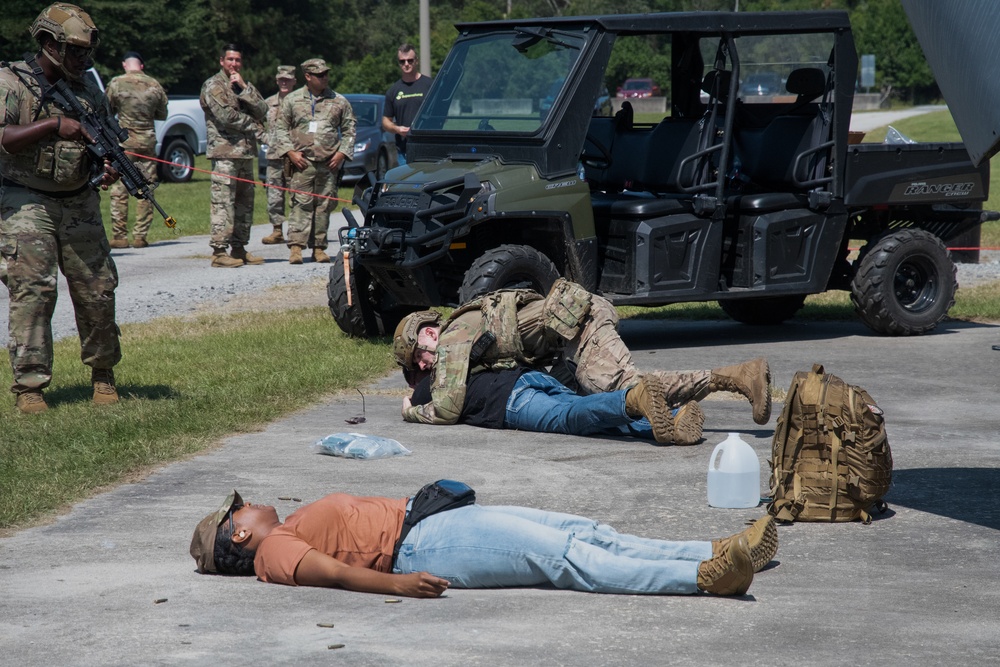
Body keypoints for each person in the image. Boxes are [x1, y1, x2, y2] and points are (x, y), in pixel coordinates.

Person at [190, 487, 778, 597]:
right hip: (423, 547)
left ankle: (711, 550)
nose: (255, 502)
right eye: (243, 507)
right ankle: (702, 578)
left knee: (582, 532)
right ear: (240, 531)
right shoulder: (273, 552)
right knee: (563, 558)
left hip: (428, 523)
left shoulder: (282, 532)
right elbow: (333, 572)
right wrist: (397, 583)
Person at [393, 279, 771, 440]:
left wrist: (410, 409)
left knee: (632, 392)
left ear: (427, 333)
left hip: (582, 327)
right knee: (618, 401)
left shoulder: (453, 337)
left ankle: (738, 377)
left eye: (419, 358)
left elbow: (447, 407)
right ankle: (676, 419)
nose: (424, 366)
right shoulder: (468, 327)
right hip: (573, 331)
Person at [0, 3, 122, 414]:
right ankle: (30, 387)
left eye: (86, 52)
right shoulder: (11, 81)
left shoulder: (88, 88)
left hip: (79, 199)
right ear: (49, 43)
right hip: (25, 196)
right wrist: (52, 125)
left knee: (98, 289)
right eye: (74, 50)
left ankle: (103, 374)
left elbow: (105, 145)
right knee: (33, 289)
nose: (82, 59)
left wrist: (104, 171)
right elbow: (4, 137)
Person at [409, 365, 707, 446]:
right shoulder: (465, 359)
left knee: (569, 418)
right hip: (532, 377)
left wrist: (409, 406)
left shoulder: (428, 385)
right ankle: (674, 419)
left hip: (510, 401)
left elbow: (440, 413)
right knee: (591, 414)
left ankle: (631, 399)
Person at [272, 58, 355, 265]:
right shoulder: (292, 100)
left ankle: (319, 247)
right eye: (320, 75)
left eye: (326, 74)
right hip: (302, 162)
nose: (325, 78)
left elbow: (349, 129)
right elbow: (280, 128)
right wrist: (290, 152)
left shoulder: (339, 101)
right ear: (308, 77)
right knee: (300, 203)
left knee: (324, 205)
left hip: (329, 163)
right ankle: (296, 248)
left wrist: (342, 154)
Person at [199, 43, 267, 268]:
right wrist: (256, 128)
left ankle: (239, 247)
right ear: (221, 61)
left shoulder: (242, 85)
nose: (234, 64)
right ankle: (219, 252)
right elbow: (227, 117)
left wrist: (245, 88)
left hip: (245, 155)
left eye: (237, 60)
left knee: (244, 204)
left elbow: (263, 109)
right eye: (230, 60)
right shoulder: (213, 85)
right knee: (223, 203)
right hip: (225, 153)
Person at [105, 50, 168, 249]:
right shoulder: (154, 84)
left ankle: (119, 236)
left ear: (125, 64)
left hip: (124, 144)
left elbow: (106, 112)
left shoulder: (116, 83)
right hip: (147, 143)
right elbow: (162, 114)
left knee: (119, 188)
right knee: (146, 187)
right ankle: (140, 236)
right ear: (141, 65)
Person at [260, 65, 296, 246]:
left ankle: (296, 232)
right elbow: (256, 123)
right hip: (274, 156)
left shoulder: (300, 102)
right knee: (274, 195)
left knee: (296, 195)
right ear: (276, 80)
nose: (284, 82)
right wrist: (266, 138)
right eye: (281, 79)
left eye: (288, 79)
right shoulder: (268, 103)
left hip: (295, 156)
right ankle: (277, 230)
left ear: (294, 82)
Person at [382, 43, 432, 164]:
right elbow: (385, 121)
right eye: (402, 61)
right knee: (405, 183)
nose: (406, 64)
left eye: (410, 60)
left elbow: (441, 115)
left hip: (428, 149)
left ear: (416, 61)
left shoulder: (430, 85)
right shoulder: (393, 90)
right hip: (404, 152)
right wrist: (397, 129)